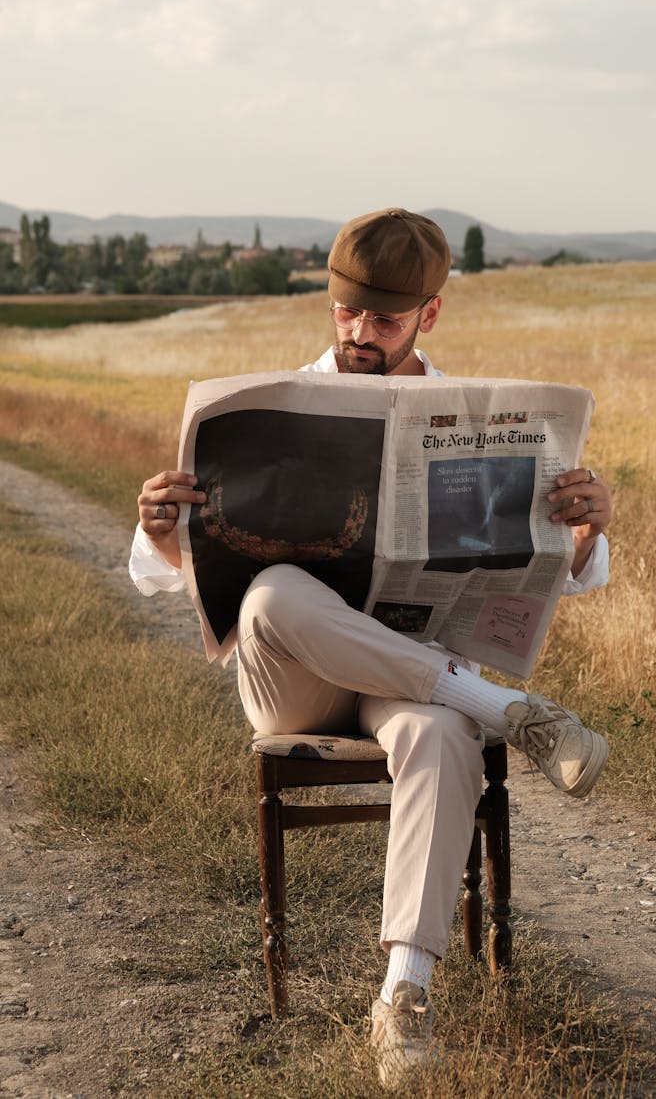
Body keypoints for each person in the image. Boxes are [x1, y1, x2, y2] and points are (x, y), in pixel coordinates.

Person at [129, 208, 613, 1089]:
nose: (358, 333)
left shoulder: (472, 415)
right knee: (275, 592)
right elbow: (163, 579)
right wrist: (162, 534)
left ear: (429, 314)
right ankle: (501, 707)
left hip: (406, 666)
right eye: (345, 312)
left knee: (434, 734)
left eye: (384, 320)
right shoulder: (275, 403)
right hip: (295, 676)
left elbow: (567, 577)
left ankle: (403, 996)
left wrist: (583, 531)